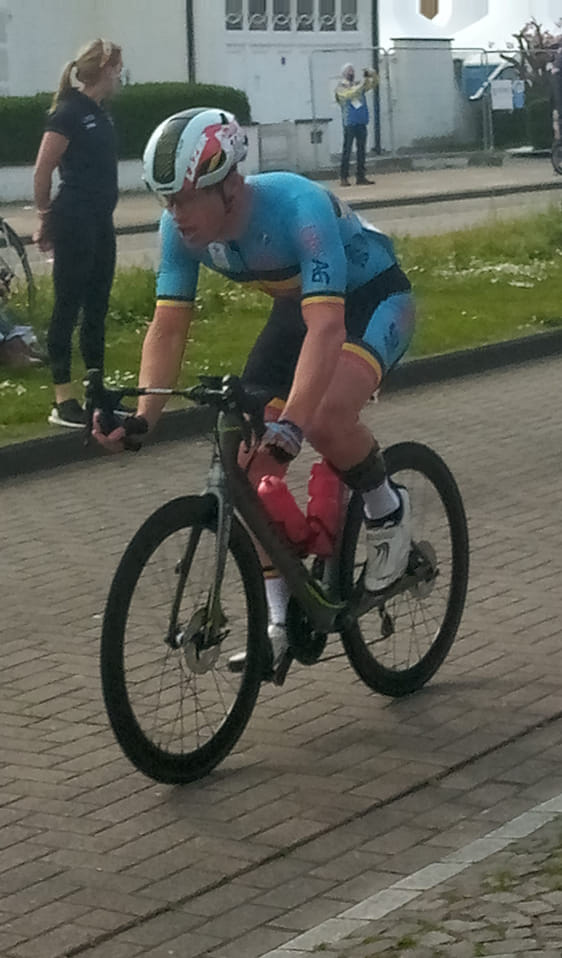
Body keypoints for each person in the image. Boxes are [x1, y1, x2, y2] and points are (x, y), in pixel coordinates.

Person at [94, 107, 416, 679]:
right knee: (245, 460)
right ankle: (279, 620)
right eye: (165, 200)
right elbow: (168, 327)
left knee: (325, 417)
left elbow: (327, 329)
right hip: (299, 307)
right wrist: (144, 415)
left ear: (229, 185)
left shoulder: (297, 206)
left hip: (372, 300)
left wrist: (292, 424)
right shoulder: (179, 231)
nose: (175, 213)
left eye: (186, 198)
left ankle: (387, 507)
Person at [33, 37, 123, 428]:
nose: (121, 77)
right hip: (74, 219)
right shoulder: (69, 112)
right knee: (68, 305)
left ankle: (96, 391)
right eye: (118, 69)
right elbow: (43, 169)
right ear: (105, 69)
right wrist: (45, 216)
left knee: (97, 307)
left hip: (101, 221)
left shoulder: (100, 114)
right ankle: (62, 398)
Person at [335, 63, 378, 187]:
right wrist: (362, 84)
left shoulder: (358, 85)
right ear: (343, 73)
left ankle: (361, 176)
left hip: (361, 121)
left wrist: (372, 74)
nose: (352, 72)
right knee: (347, 150)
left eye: (353, 70)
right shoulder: (341, 87)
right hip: (349, 122)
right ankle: (344, 177)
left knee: (361, 150)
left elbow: (373, 84)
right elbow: (350, 94)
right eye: (349, 70)